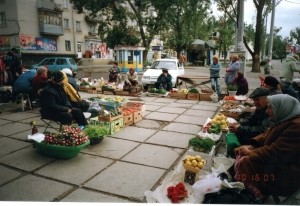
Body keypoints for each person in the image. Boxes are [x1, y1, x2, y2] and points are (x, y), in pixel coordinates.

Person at [234, 94, 300, 200]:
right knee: (241, 151)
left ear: (282, 108)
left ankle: (254, 193)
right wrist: (252, 146)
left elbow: (275, 153)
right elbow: (266, 133)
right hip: (278, 164)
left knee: (246, 161)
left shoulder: (296, 127)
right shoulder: (285, 119)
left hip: (285, 174)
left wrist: (250, 153)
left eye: (270, 107)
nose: (267, 111)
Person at [227, 88, 270, 156]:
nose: (256, 102)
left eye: (258, 99)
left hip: (257, 142)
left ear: (266, 99)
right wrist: (240, 123)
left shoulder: (269, 111)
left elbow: (261, 130)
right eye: (254, 100)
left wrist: (240, 128)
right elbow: (250, 118)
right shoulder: (260, 108)